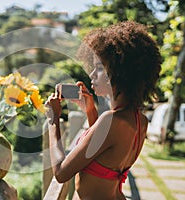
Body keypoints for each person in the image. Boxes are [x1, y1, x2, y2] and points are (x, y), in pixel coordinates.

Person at [44, 21, 161, 200]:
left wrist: (53, 120)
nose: (92, 75)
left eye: (99, 69)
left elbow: (61, 173)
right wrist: (90, 112)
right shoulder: (139, 120)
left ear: (122, 73)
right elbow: (103, 153)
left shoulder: (111, 120)